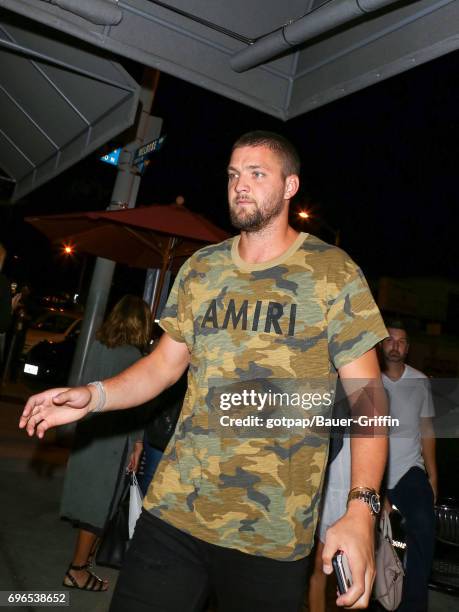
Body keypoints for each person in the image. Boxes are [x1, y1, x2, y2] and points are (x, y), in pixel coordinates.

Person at [20, 131, 388, 611]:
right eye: (234, 175)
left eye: (257, 174)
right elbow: (162, 368)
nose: (241, 185)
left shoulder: (332, 272)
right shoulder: (201, 268)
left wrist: (361, 511)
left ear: (290, 186)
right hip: (175, 512)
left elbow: (369, 398)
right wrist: (94, 395)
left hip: (271, 534)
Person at [59, 295, 152, 592]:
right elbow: (136, 407)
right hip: (114, 441)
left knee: (89, 500)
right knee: (99, 507)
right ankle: (77, 570)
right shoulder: (136, 360)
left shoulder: (98, 346)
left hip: (90, 435)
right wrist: (138, 444)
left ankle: (81, 565)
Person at [380, 320, 437, 612]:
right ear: (381, 343)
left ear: (408, 348)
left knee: (424, 527)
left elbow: (426, 430)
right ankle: (376, 598)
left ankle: (413, 605)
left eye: (401, 341)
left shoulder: (420, 381)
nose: (395, 346)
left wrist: (433, 477)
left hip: (408, 472)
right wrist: (380, 494)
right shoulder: (369, 380)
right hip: (375, 473)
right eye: (390, 340)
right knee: (374, 538)